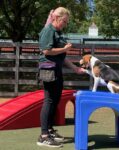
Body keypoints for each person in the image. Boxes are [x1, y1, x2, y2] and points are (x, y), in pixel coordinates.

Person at [37, 7, 85, 148]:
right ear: (57, 18)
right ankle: (44, 136)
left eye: (66, 22)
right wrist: (65, 49)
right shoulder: (48, 31)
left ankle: (50, 130)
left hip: (56, 69)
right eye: (64, 21)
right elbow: (46, 50)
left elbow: (62, 57)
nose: (65, 24)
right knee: (49, 101)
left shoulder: (57, 32)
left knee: (56, 100)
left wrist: (75, 68)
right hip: (48, 69)